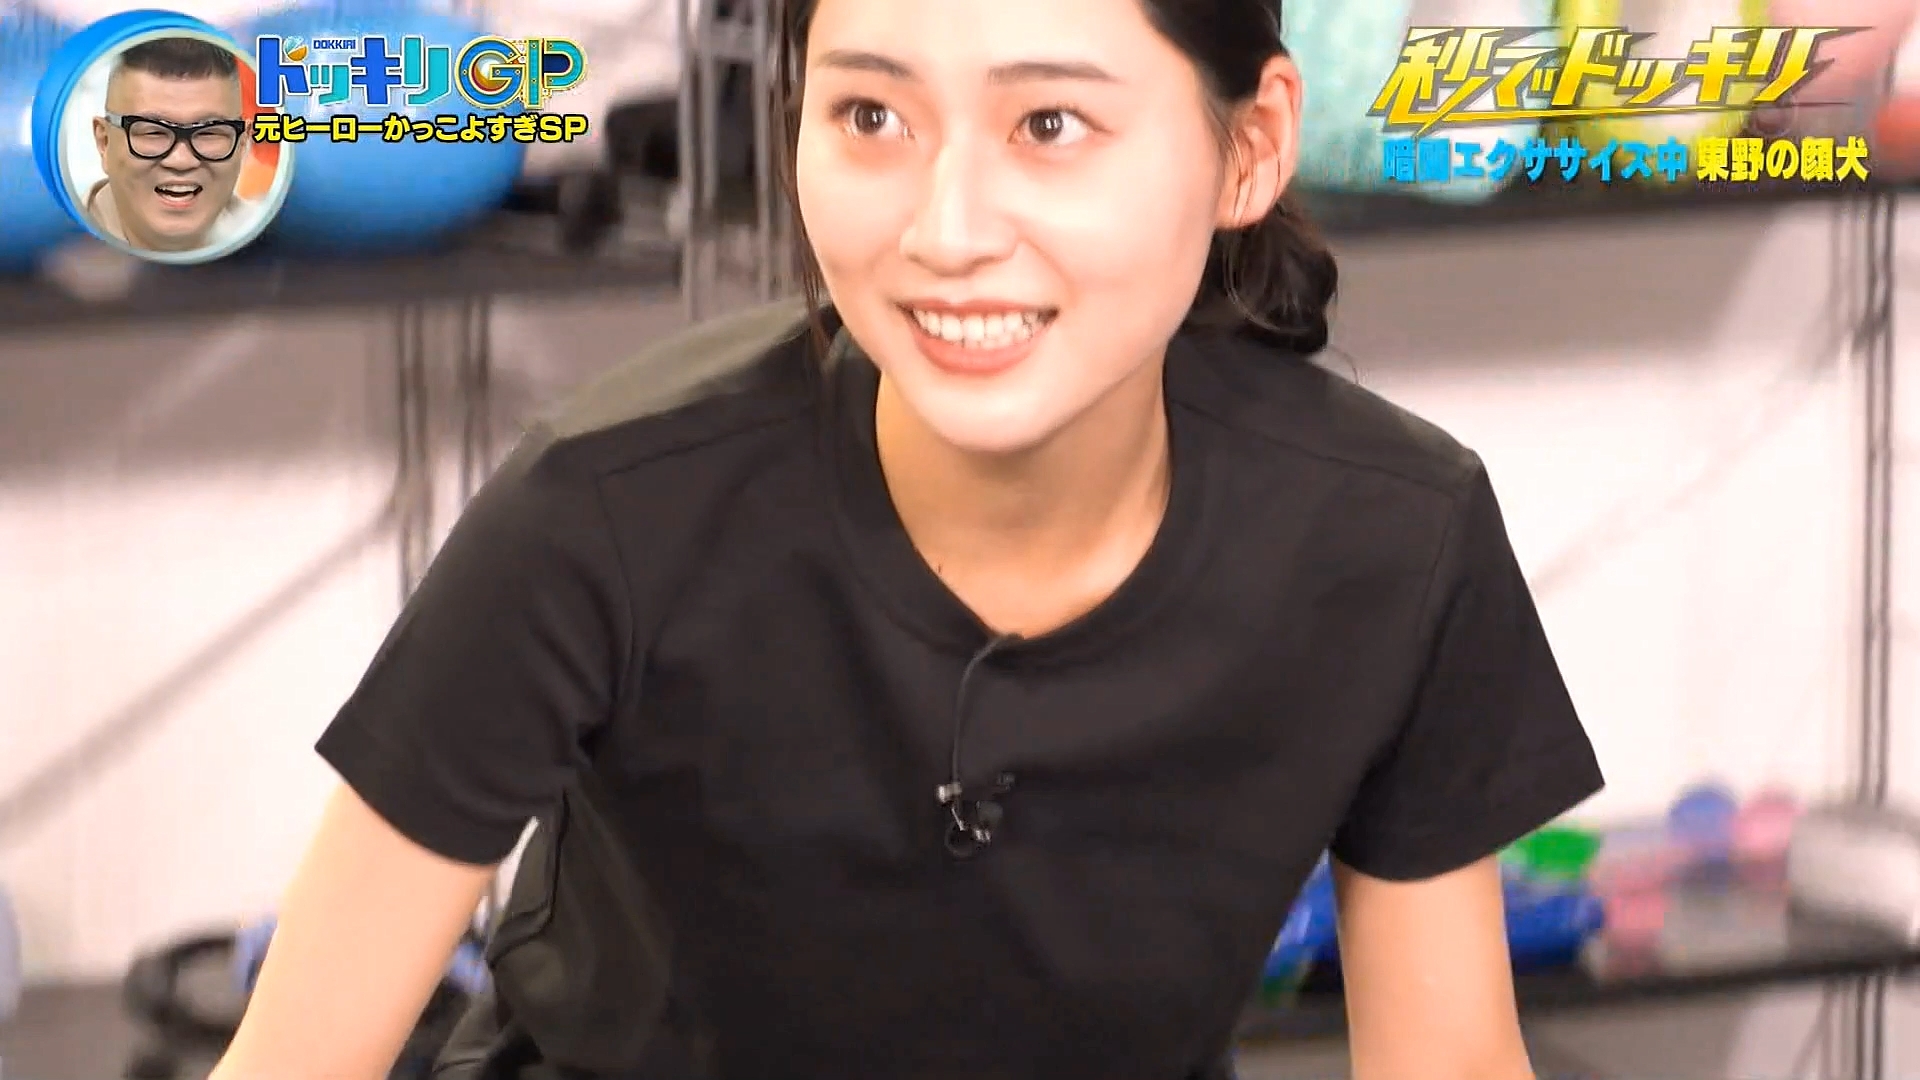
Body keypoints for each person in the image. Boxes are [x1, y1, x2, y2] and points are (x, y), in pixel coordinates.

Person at [211, 0, 1603, 1077]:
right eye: (871, 116)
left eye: (1049, 124)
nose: (946, 232)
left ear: (1250, 148)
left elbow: (1453, 1061)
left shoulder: (1394, 538)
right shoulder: (602, 510)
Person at [87, 37, 252, 254]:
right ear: (104, 142)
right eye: (153, 132)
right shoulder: (54, 244)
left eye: (209, 132)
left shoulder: (280, 246)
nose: (181, 161)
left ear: (242, 145)